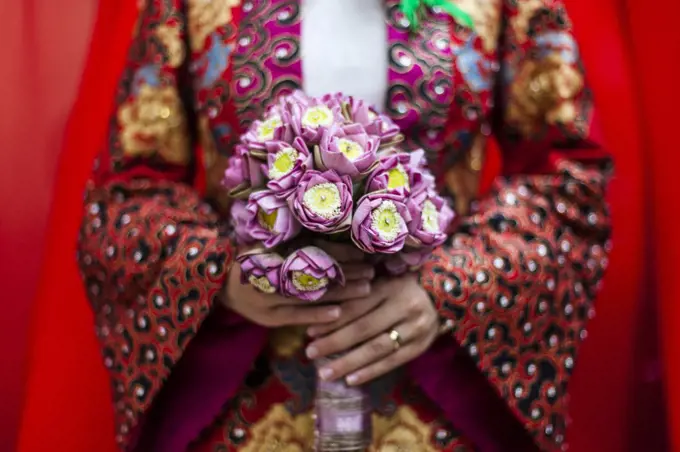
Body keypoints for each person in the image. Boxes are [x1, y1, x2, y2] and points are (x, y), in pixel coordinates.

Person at [75, 0, 612, 450]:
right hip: (250, 402)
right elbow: (128, 192)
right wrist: (221, 275)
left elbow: (566, 178)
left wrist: (451, 286)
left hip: (435, 390)